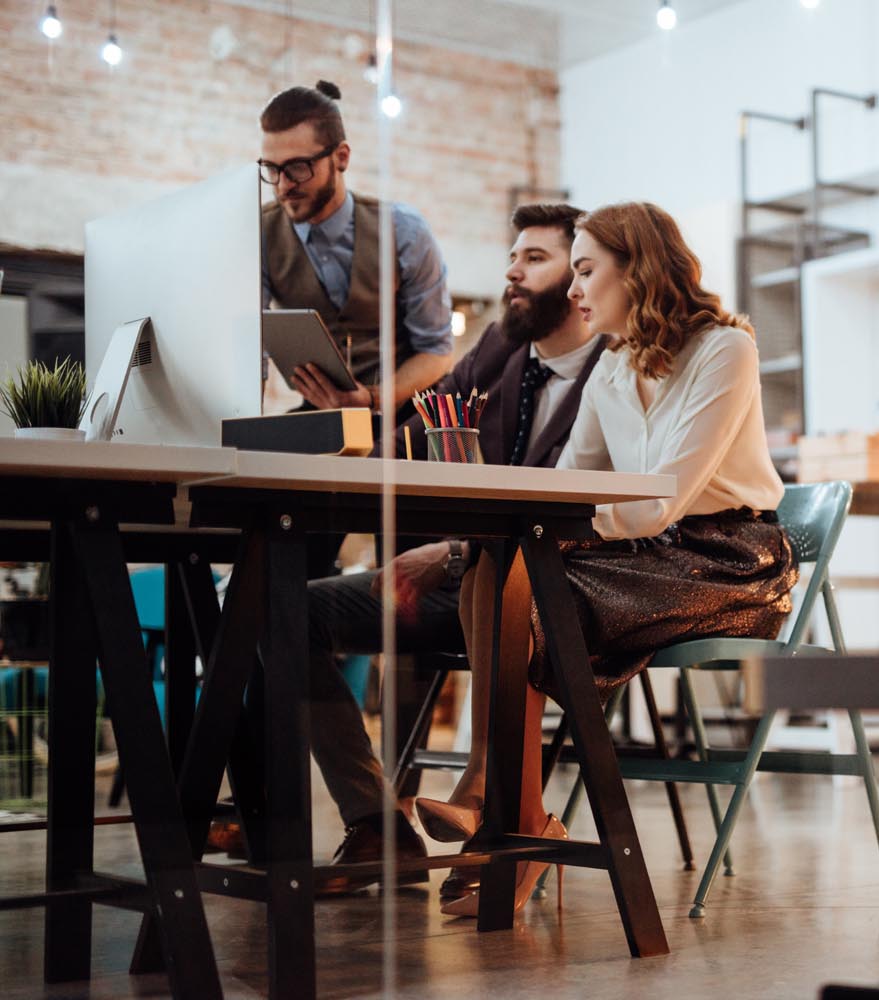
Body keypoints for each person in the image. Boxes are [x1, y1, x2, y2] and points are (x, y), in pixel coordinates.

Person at [418, 201, 798, 917]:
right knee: (495, 570)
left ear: (640, 268)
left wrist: (548, 527)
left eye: (587, 270)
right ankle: (514, 818)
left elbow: (663, 501)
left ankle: (504, 814)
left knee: (525, 585)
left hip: (731, 563)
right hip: (648, 553)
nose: (574, 289)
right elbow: (571, 481)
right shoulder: (614, 364)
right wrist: (520, 528)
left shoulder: (726, 349)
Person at [234, 203, 608, 893]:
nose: (512, 271)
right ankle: (377, 824)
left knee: (490, 580)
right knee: (273, 606)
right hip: (467, 579)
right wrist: (346, 414)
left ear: (582, 279)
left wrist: (452, 549)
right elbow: (410, 432)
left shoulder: (615, 370)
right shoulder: (500, 346)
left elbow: (581, 512)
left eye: (537, 259)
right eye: (513, 255)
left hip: (552, 593)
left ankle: (503, 813)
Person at [258, 80, 453, 415]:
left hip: (409, 414)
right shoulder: (259, 233)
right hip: (320, 413)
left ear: (341, 157)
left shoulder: (403, 230)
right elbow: (250, 349)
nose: (284, 186)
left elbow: (436, 351)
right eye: (272, 169)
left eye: (298, 168)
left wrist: (373, 398)